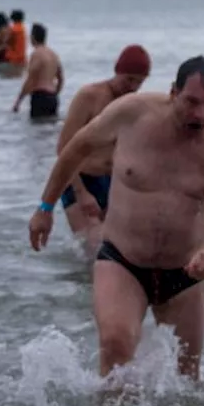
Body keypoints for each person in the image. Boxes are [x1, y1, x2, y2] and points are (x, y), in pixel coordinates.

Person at [28, 56, 204, 380]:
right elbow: (74, 148)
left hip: (185, 272)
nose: (200, 114)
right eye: (191, 102)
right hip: (123, 260)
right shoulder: (132, 113)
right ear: (173, 92)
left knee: (186, 378)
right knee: (115, 350)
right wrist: (45, 209)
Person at [55, 44, 152, 256]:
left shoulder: (132, 105)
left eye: (139, 82)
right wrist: (82, 194)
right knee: (94, 248)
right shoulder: (89, 96)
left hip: (111, 182)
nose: (133, 87)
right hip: (79, 179)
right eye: (129, 79)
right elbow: (63, 147)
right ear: (117, 71)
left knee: (114, 249)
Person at [12, 23, 63, 118]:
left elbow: (31, 79)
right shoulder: (53, 54)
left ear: (32, 37)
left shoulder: (36, 54)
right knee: (49, 129)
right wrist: (55, 94)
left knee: (36, 129)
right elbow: (61, 79)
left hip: (40, 96)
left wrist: (18, 102)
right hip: (53, 97)